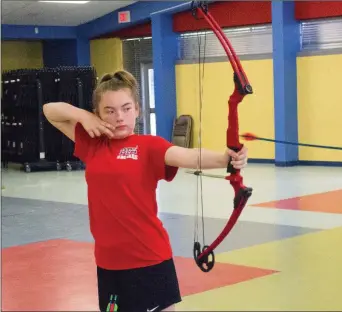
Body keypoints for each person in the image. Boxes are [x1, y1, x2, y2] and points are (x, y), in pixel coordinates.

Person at [42, 70, 248, 312]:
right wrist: (82, 117)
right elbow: (50, 111)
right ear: (98, 113)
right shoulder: (93, 143)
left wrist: (226, 158)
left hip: (149, 258)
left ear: (138, 110)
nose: (119, 117)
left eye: (126, 108)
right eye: (110, 110)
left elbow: (188, 156)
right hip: (109, 262)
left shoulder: (149, 146)